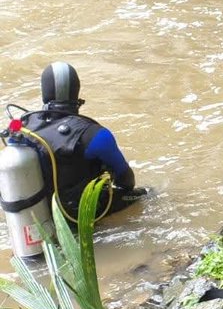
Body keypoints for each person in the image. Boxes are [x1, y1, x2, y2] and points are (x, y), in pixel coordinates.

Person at [20, 62, 143, 220]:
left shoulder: (23, 127)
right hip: (76, 215)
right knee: (146, 194)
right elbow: (126, 181)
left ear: (45, 92)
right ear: (76, 91)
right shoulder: (95, 135)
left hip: (36, 213)